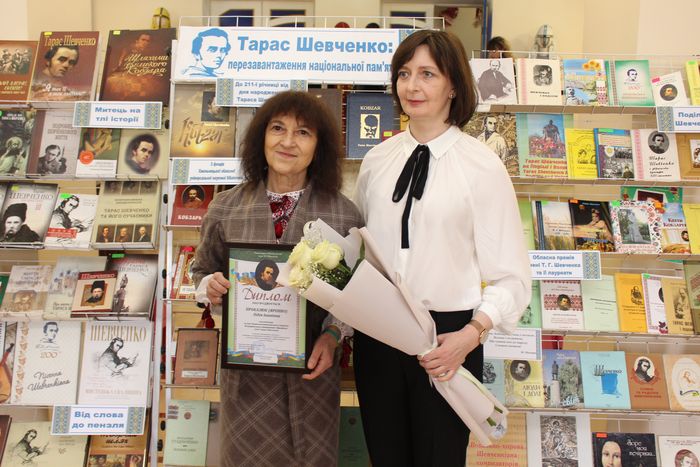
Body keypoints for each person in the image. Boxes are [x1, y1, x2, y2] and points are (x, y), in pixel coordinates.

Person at [352, 30, 530, 466]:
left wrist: (470, 336)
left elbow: (511, 275)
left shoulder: (482, 165)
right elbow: (361, 252)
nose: (412, 86)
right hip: (378, 334)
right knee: (385, 456)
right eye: (404, 74)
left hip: (449, 338)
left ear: (453, 85)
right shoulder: (377, 160)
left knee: (440, 457)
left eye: (427, 74)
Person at [192, 90, 363, 466]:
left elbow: (353, 296)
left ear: (319, 146)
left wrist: (333, 336)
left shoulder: (343, 214)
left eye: (303, 132)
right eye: (278, 128)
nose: (288, 141)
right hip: (247, 382)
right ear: (261, 137)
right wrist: (210, 287)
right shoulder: (225, 207)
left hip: (311, 376)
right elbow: (201, 271)